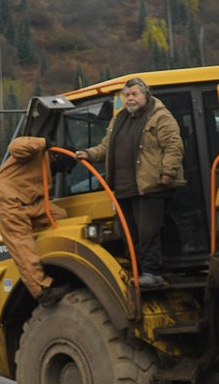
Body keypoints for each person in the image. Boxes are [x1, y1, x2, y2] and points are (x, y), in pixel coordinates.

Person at [76, 77, 184, 288]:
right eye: (127, 95)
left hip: (151, 186)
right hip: (123, 188)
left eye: (134, 94)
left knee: (148, 231)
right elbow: (105, 147)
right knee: (128, 233)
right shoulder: (119, 120)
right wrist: (88, 154)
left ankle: (152, 272)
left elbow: (174, 145)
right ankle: (141, 271)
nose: (130, 99)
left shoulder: (160, 117)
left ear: (146, 94)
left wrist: (168, 172)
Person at [0, 136, 71, 307]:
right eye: (62, 168)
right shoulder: (36, 152)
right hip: (7, 197)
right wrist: (43, 143)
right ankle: (42, 290)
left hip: (28, 200)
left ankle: (55, 260)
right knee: (21, 242)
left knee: (61, 216)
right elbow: (15, 146)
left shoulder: (46, 170)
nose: (59, 172)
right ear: (57, 157)